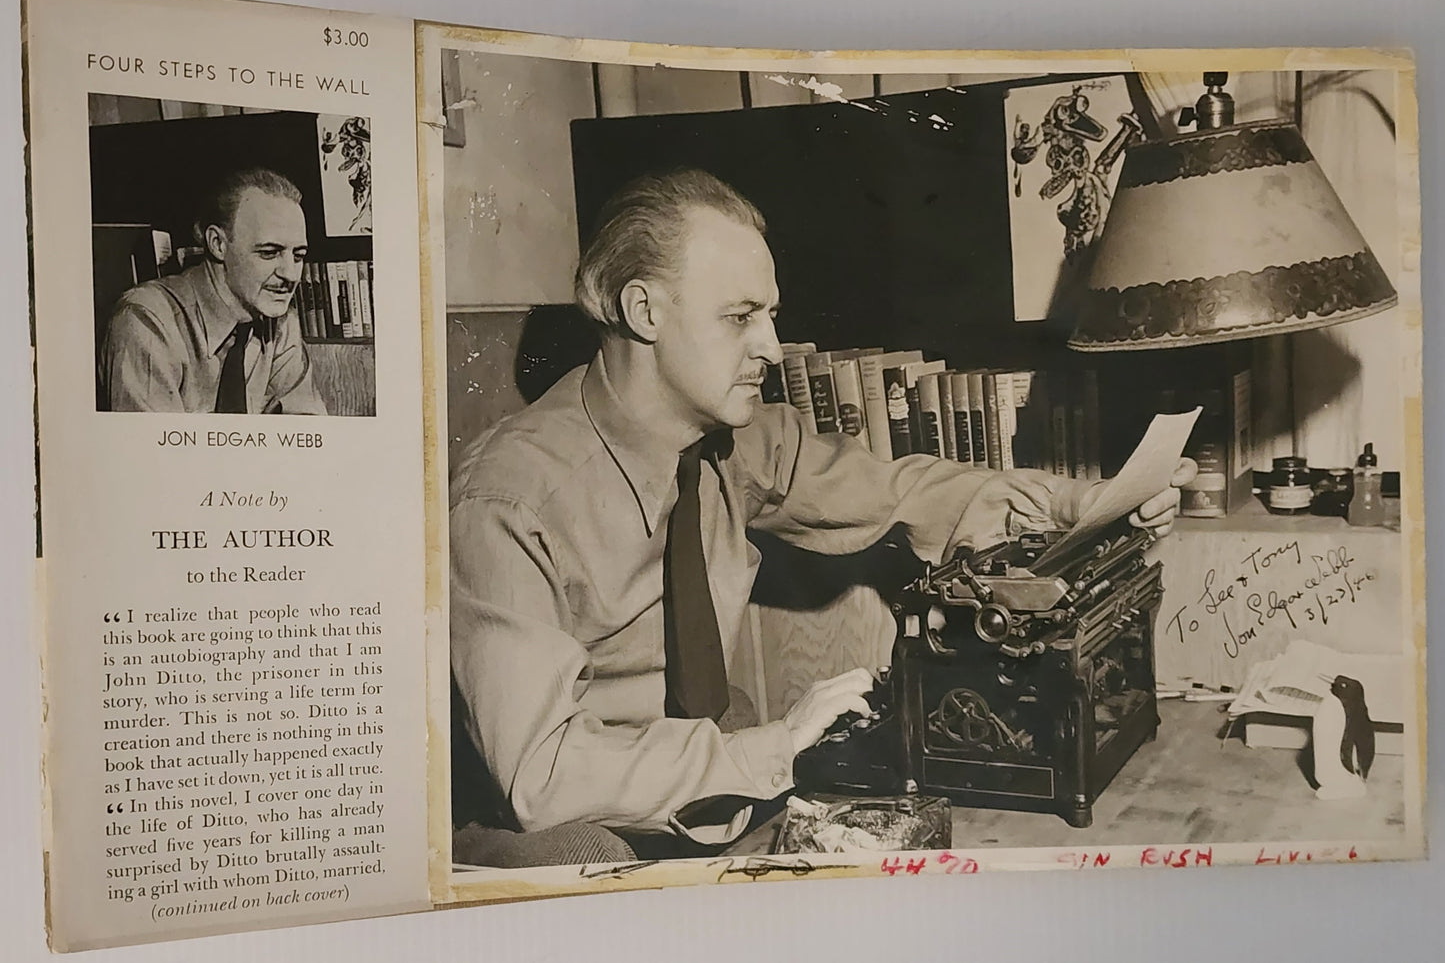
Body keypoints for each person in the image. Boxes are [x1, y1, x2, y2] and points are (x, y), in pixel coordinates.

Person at [449, 168, 1192, 861]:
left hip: (699, 753)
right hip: (559, 820)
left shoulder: (736, 438)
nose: (770, 347)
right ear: (644, 310)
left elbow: (901, 490)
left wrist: (1078, 505)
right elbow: (540, 778)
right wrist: (773, 744)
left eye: (770, 315)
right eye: (739, 317)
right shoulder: (509, 501)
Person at [99, 166, 327, 414]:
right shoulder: (146, 321)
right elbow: (152, 450)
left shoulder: (281, 320)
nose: (290, 275)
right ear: (218, 244)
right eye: (269, 253)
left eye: (299, 255)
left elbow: (305, 433)